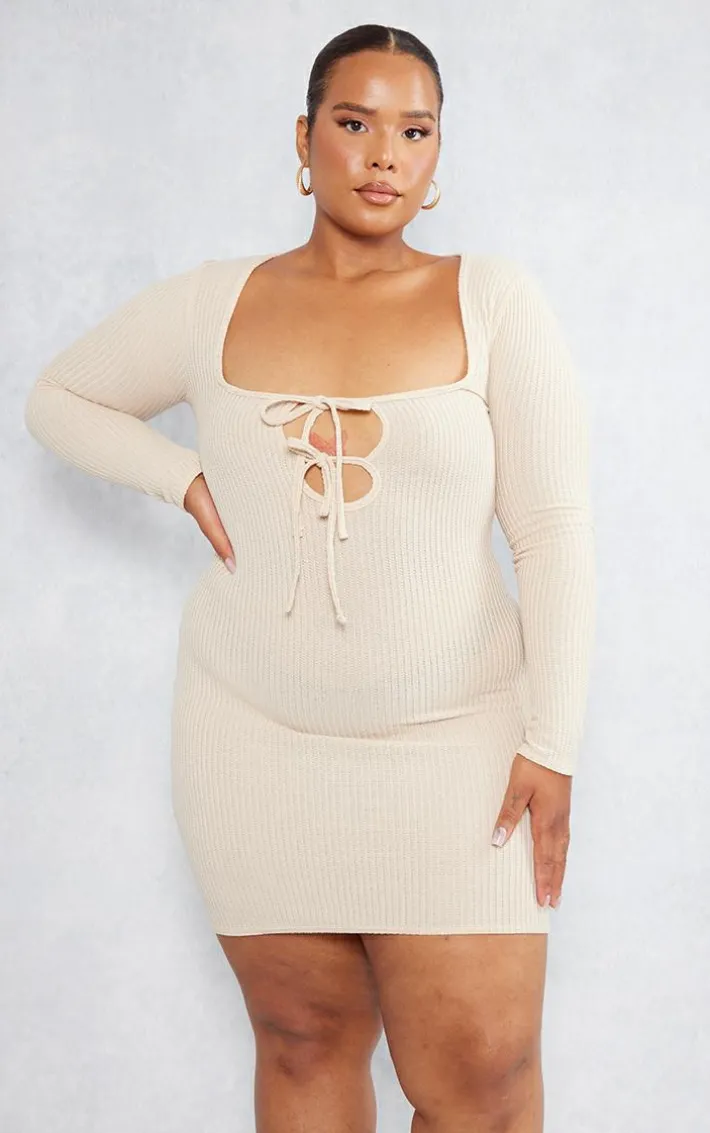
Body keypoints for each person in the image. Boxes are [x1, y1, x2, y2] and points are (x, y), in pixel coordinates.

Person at [24, 21, 596, 1133]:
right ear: (303, 138)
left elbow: (553, 533)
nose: (384, 154)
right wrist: (181, 476)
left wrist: (553, 741)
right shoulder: (214, 301)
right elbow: (61, 396)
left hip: (458, 744)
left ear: (437, 153)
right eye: (354, 122)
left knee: (482, 1079)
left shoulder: (492, 300)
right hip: (253, 740)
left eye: (414, 131)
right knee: (302, 1042)